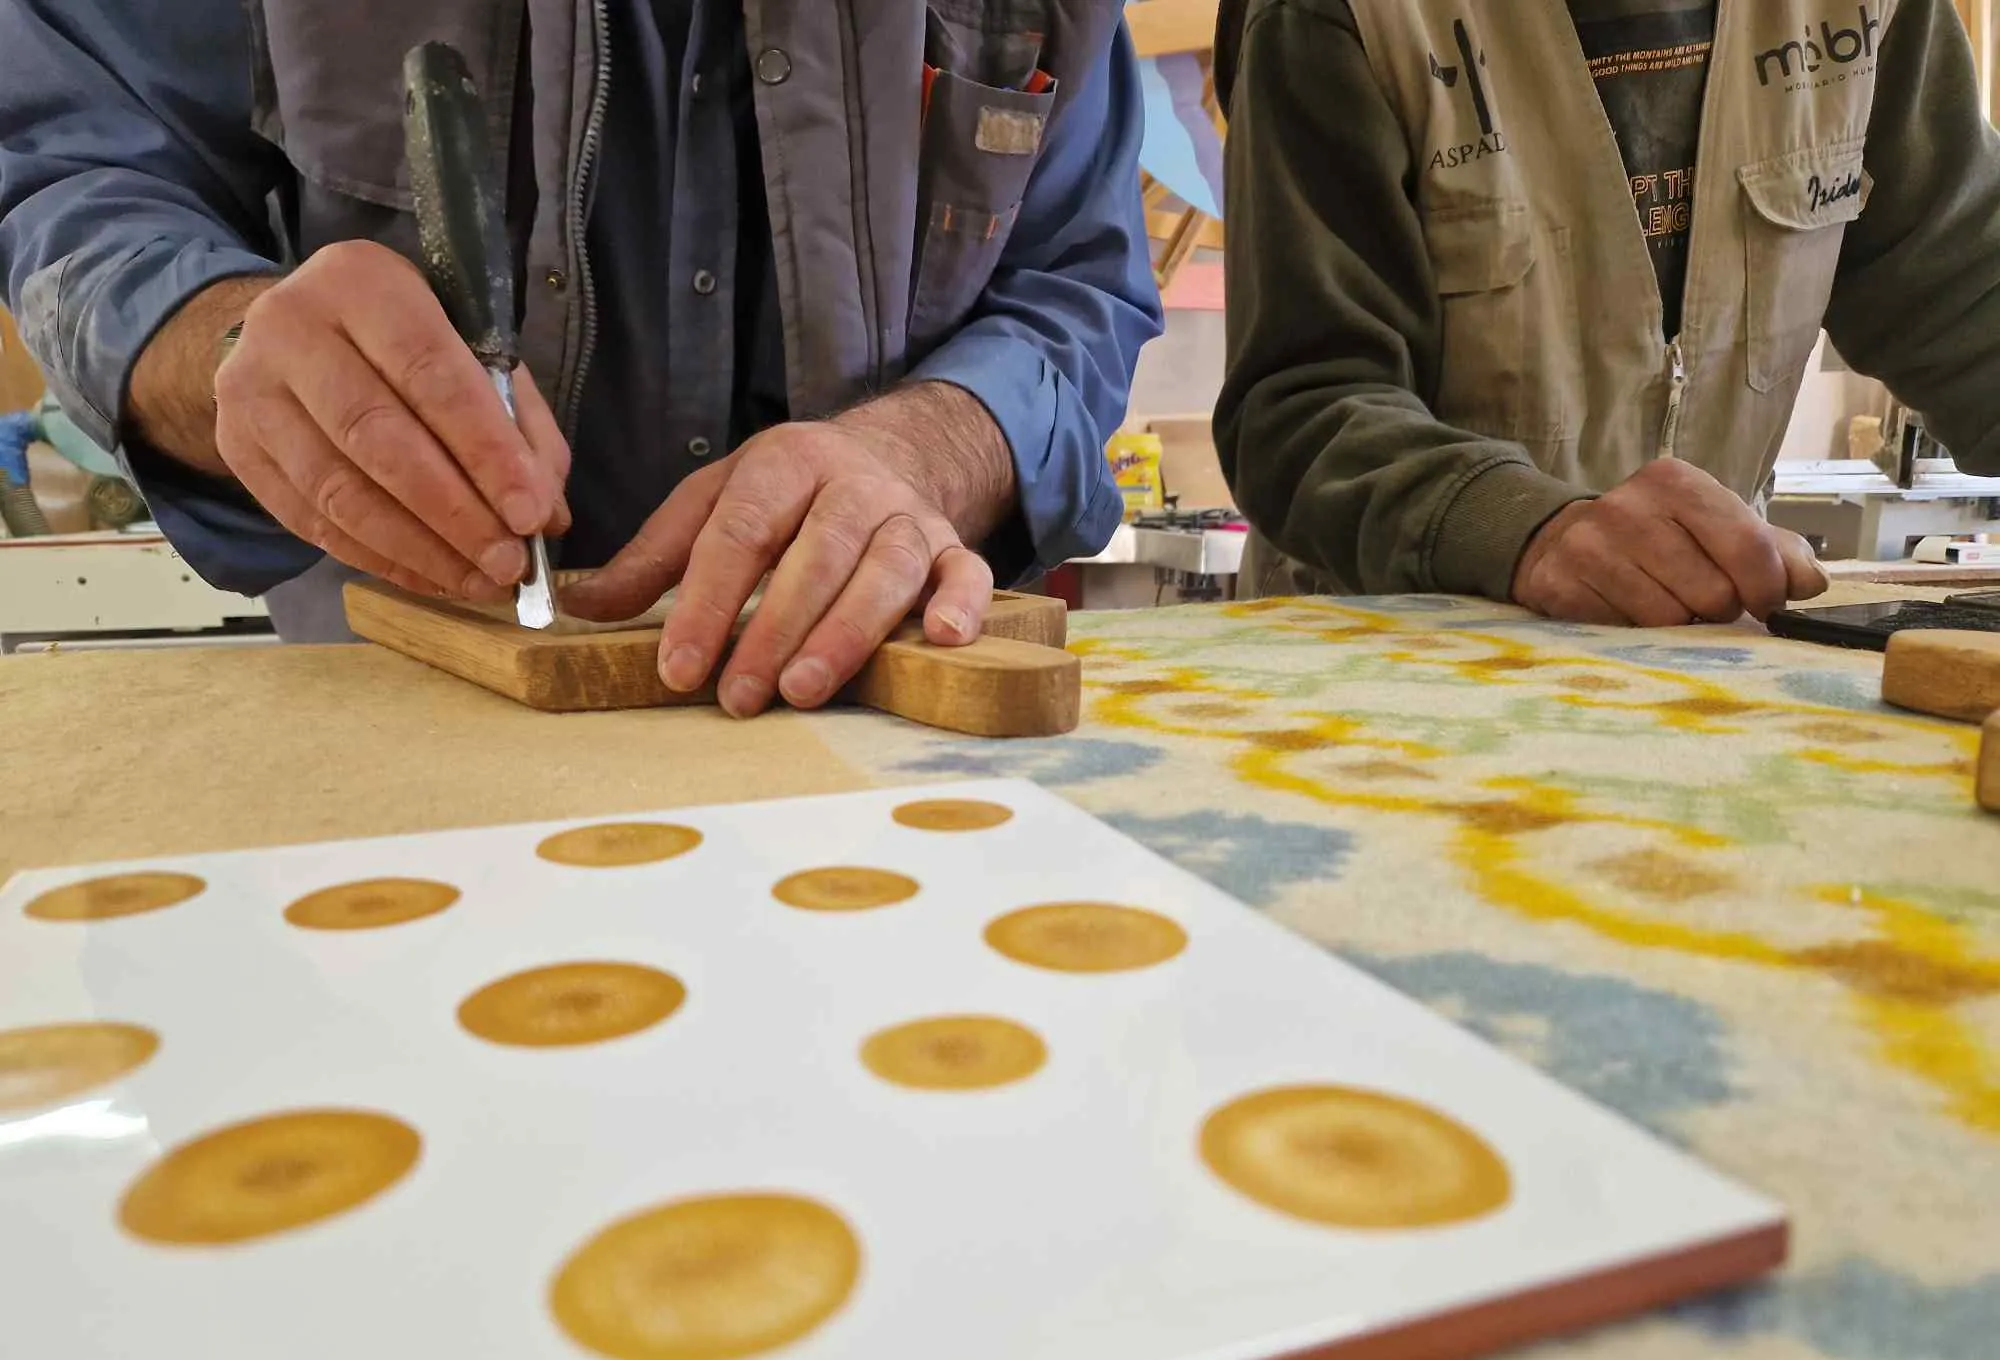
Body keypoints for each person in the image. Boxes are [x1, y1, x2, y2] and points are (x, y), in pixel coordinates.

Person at [0, 0, 1161, 711]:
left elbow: (1079, 281)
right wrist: (223, 335)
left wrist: (924, 448)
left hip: (877, 750)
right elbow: (79, 178)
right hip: (408, 744)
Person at [1212, 0, 2000, 627]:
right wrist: (1525, 529)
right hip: (1383, 671)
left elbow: (1967, 298)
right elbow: (1305, 407)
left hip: (1706, 664)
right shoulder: (1338, 14)